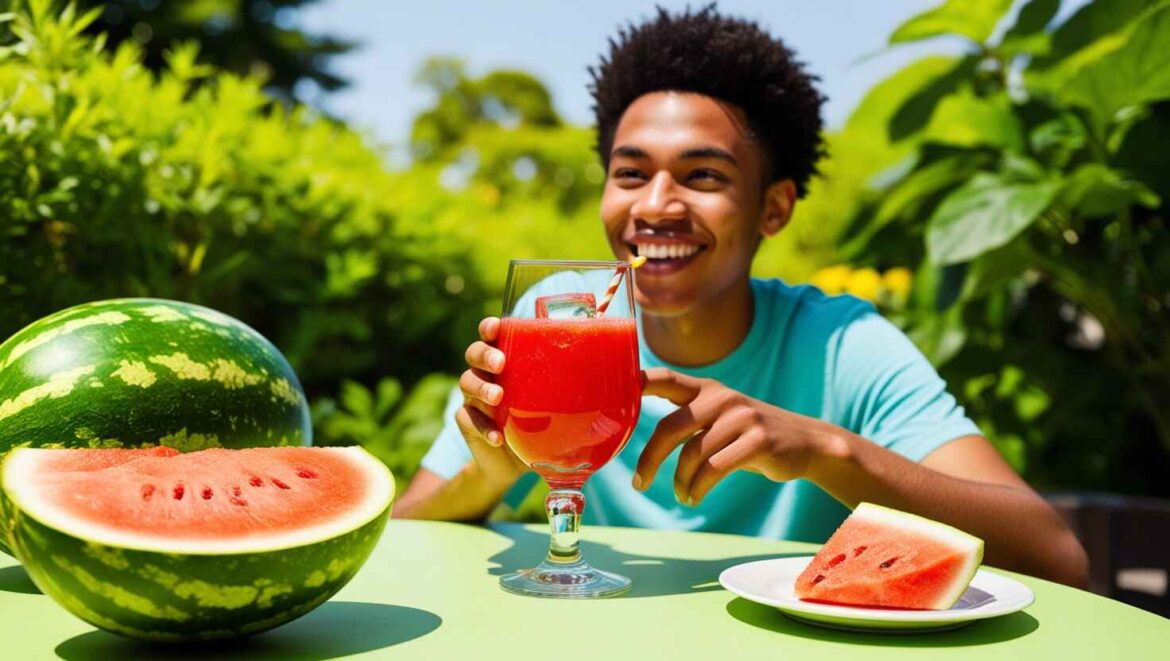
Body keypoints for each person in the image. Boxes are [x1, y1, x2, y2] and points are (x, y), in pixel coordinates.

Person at [393, 6, 1088, 587]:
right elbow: (407, 532)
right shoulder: (557, 315)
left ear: (773, 208)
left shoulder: (840, 345)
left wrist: (826, 451)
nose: (655, 206)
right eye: (630, 173)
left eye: (702, 175)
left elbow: (1058, 559)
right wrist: (489, 471)